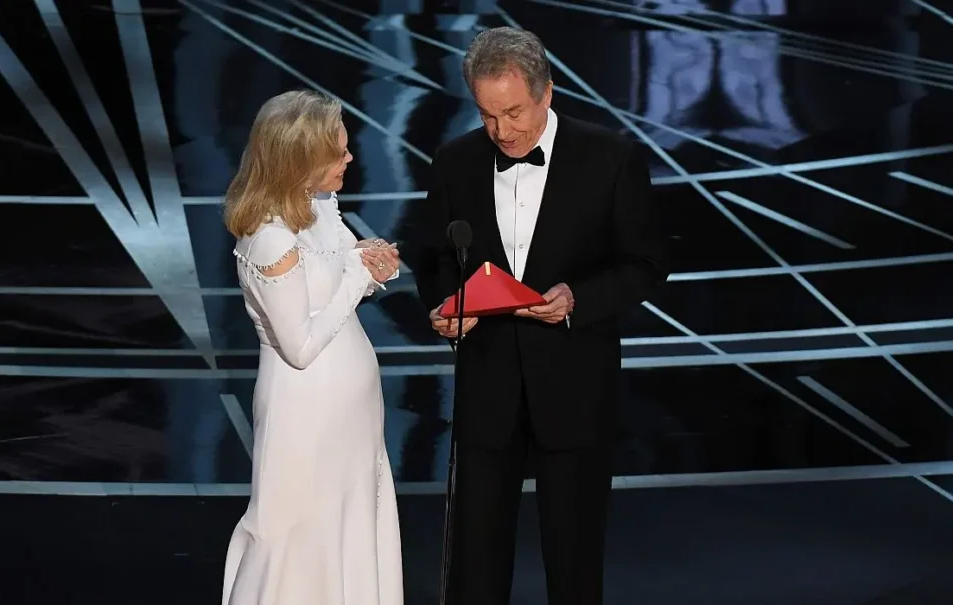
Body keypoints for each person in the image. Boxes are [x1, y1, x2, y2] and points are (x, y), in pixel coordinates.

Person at [412, 27, 667, 605]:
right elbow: (433, 259)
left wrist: (580, 297)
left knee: (574, 558)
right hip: (488, 389)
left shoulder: (611, 157)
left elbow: (646, 264)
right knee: (475, 561)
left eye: (513, 112)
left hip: (575, 386)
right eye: (487, 115)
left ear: (546, 92)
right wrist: (446, 307)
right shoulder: (455, 162)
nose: (501, 131)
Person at [222, 90, 404, 605]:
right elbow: (300, 345)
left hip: (353, 415)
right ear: (299, 160)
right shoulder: (270, 240)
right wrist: (354, 273)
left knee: (348, 525)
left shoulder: (318, 204)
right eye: (338, 152)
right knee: (298, 536)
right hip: (306, 413)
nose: (349, 158)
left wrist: (371, 263)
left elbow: (343, 273)